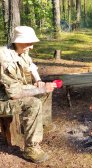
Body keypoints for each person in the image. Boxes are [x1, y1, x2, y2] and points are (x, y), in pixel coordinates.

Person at [0, 26, 56, 163]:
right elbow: (15, 94)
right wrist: (41, 89)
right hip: (2, 99)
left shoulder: (20, 51)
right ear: (18, 41)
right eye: (28, 43)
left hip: (12, 91)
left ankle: (41, 125)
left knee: (45, 90)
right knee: (33, 103)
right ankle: (31, 148)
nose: (31, 47)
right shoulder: (4, 59)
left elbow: (31, 66)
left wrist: (39, 81)